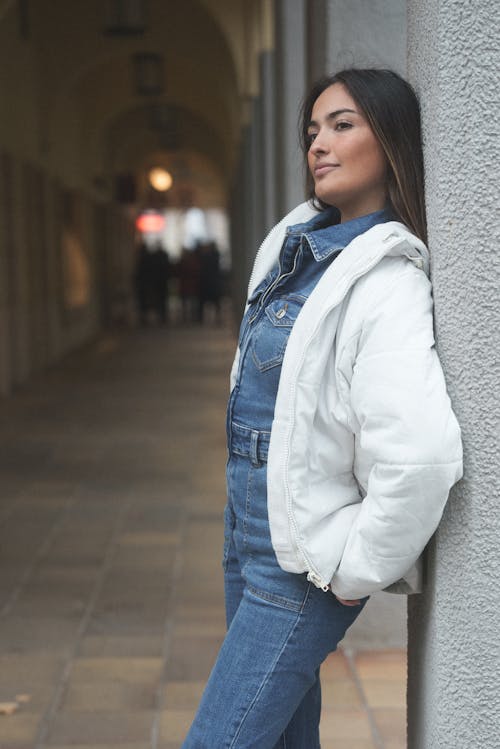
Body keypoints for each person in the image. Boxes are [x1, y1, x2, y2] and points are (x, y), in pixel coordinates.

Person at [182, 68, 463, 748]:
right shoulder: (294, 255)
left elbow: (421, 452)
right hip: (246, 533)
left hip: (303, 558)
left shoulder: (387, 281)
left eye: (342, 125)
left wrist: (358, 564)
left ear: (390, 143)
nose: (318, 144)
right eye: (312, 130)